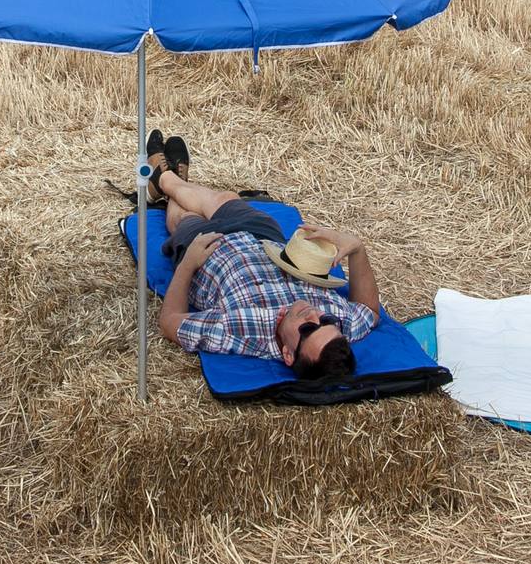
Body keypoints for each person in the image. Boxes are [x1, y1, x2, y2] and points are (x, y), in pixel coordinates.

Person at [147, 134, 378, 381]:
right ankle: (167, 180)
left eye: (308, 329)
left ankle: (165, 179)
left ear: (288, 354)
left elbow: (170, 322)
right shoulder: (339, 322)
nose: (314, 315)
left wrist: (189, 262)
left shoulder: (240, 331)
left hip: (208, 248)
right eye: (325, 321)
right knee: (226, 198)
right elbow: (369, 311)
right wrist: (357, 249)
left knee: (185, 218)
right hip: (265, 238)